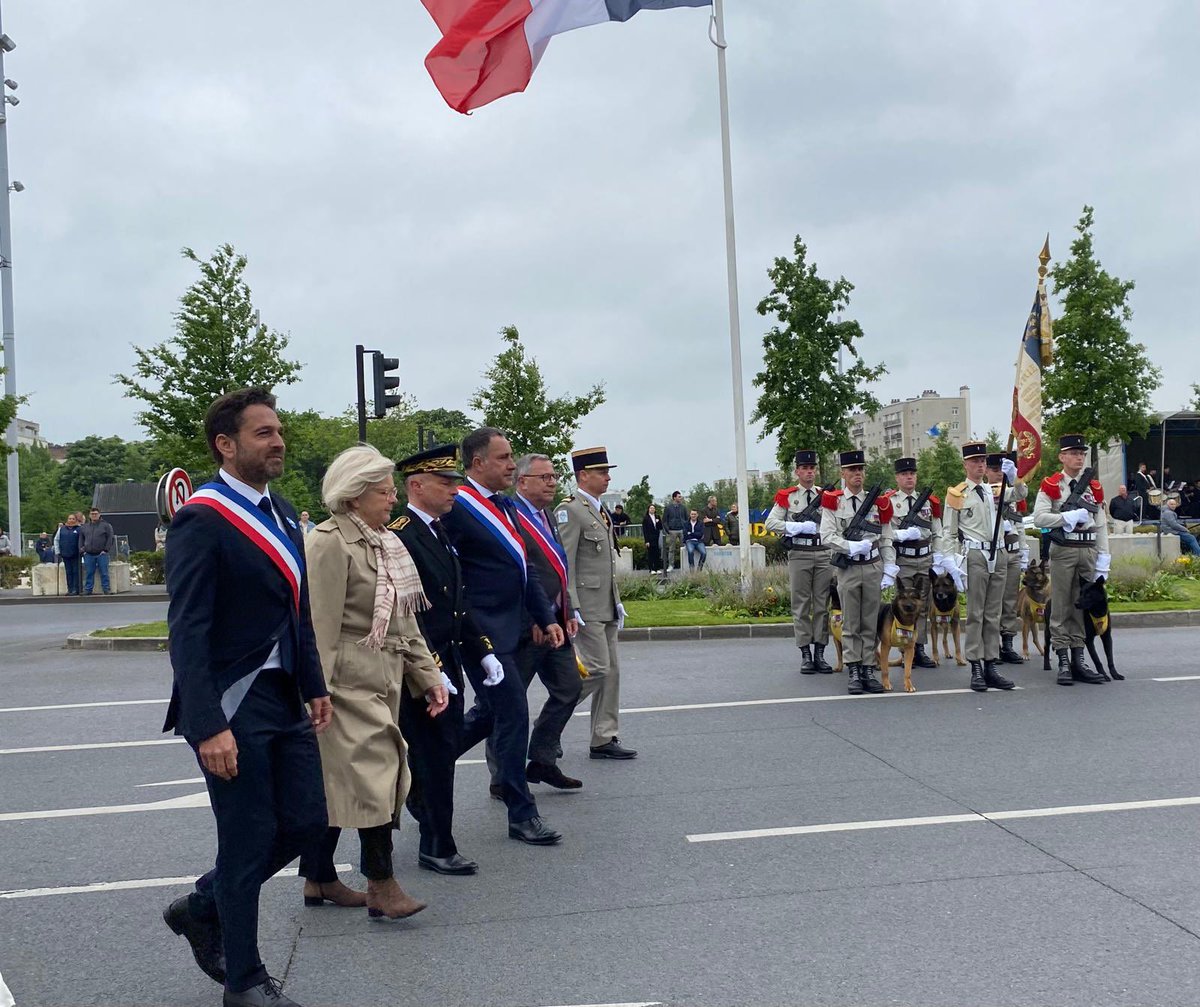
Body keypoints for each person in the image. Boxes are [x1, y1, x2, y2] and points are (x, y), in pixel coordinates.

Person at [161, 388, 332, 1007]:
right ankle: (245, 980)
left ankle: (203, 905)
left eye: (278, 430)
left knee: (310, 821)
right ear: (225, 445)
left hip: (284, 694)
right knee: (247, 837)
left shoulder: (284, 511)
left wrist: (313, 683)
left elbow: (297, 611)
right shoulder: (201, 518)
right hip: (234, 702)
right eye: (263, 433)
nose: (278, 441)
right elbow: (188, 630)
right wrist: (206, 725)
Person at [297, 444, 447, 918]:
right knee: (375, 778)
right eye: (383, 492)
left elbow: (405, 621)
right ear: (355, 494)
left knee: (344, 781)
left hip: (384, 678)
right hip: (343, 683)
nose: (391, 500)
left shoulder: (387, 542)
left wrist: (429, 676)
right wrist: (312, 690)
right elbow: (317, 624)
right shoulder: (328, 542)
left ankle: (318, 879)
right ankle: (381, 885)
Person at [441, 426, 564, 846]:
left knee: (491, 714)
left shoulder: (507, 507)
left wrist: (545, 615)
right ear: (477, 463)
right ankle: (521, 812)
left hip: (514, 629)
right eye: (503, 457)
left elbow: (523, 566)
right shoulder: (457, 507)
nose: (512, 464)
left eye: (512, 456)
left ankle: (424, 763)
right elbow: (448, 576)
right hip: (479, 635)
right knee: (512, 712)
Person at [390, 444, 494, 875]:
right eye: (445, 482)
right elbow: (407, 610)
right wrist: (430, 665)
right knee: (433, 752)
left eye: (454, 481)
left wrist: (482, 649)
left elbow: (455, 600)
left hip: (446, 661)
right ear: (416, 485)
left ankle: (426, 814)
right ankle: (437, 843)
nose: (454, 488)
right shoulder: (401, 533)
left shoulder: (438, 530)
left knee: (442, 748)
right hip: (420, 667)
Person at [490, 452, 584, 789]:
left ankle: (542, 759)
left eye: (554, 477)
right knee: (508, 703)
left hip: (555, 623)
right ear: (523, 481)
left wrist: (566, 610)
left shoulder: (546, 516)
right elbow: (513, 574)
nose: (552, 483)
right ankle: (501, 777)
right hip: (526, 626)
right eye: (545, 477)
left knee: (570, 687)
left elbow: (558, 568)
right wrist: (533, 617)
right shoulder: (507, 515)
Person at [557, 446, 636, 761]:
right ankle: (549, 723)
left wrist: (615, 601)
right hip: (585, 606)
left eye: (607, 471)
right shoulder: (570, 510)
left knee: (611, 673)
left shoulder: (598, 509)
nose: (607, 477)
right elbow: (565, 561)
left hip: (605, 604)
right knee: (597, 669)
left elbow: (604, 563)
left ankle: (604, 737)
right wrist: (570, 605)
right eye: (601, 472)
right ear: (583, 475)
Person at [1032, 434, 1110, 686]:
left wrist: (1103, 559)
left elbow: (1100, 526)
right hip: (1064, 549)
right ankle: (1063, 659)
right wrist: (1066, 518)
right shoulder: (1052, 485)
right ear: (1062, 457)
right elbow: (1040, 518)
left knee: (1081, 605)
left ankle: (1079, 659)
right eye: (1074, 453)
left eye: (1082, 453)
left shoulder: (1093, 487)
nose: (1079, 457)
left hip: (1087, 549)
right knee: (1063, 606)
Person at [820, 449, 895, 694]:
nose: (857, 474)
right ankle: (854, 668)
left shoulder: (878, 502)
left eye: (861, 469)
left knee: (870, 621)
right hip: (849, 567)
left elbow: (886, 536)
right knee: (851, 621)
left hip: (872, 565)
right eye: (852, 470)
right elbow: (827, 536)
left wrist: (890, 567)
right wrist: (849, 545)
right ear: (843, 473)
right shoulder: (833, 501)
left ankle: (867, 668)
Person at [942, 442, 1014, 692]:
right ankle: (975, 664)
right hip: (974, 555)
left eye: (982, 460)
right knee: (976, 613)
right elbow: (948, 533)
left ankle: (991, 663)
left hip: (999, 553)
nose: (980, 464)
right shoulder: (958, 494)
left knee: (993, 613)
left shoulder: (996, 488)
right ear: (965, 464)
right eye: (974, 461)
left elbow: (1020, 495)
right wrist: (951, 562)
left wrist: (1014, 477)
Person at [765, 449, 834, 674]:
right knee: (801, 604)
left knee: (822, 604)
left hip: (823, 552)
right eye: (804, 468)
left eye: (812, 468)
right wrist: (794, 527)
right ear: (797, 471)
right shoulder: (788, 496)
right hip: (799, 553)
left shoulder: (826, 496)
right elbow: (771, 523)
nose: (809, 472)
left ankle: (820, 653)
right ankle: (805, 653)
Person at [885, 456, 945, 670]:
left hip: (925, 558)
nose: (909, 477)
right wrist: (901, 534)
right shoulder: (889, 502)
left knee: (922, 605)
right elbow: (885, 533)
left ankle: (919, 648)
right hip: (904, 560)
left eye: (912, 473)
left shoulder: (929, 501)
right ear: (897, 477)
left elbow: (938, 531)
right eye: (904, 474)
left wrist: (939, 557)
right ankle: (904, 649)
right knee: (903, 606)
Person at [987, 451, 1028, 666]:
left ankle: (1008, 643)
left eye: (1002, 471)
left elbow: (1019, 522)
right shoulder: (983, 492)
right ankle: (993, 645)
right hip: (993, 552)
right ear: (985, 470)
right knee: (993, 602)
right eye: (995, 470)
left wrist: (1023, 549)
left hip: (1012, 551)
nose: (999, 475)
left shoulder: (1012, 492)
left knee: (1010, 600)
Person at [79, 507, 114, 595]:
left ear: (99, 515)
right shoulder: (85, 527)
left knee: (104, 572)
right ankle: (88, 589)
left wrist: (105, 550)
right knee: (89, 573)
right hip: (88, 554)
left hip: (101, 554)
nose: (94, 515)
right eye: (92, 514)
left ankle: (106, 589)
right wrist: (82, 550)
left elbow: (110, 538)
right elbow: (81, 539)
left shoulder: (106, 525)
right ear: (89, 515)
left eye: (95, 514)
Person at [54, 514, 83, 596]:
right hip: (65, 554)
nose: (71, 520)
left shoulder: (79, 529)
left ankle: (76, 589)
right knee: (68, 572)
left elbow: (83, 540)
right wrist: (57, 551)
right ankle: (70, 589)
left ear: (76, 520)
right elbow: (56, 540)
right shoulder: (61, 529)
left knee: (75, 572)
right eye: (69, 518)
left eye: (73, 519)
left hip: (76, 554)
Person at [663, 490, 688, 572]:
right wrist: (668, 530)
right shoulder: (668, 508)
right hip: (672, 530)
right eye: (679, 496)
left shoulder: (683, 507)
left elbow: (686, 518)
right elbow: (665, 520)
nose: (680, 498)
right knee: (671, 549)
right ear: (674, 497)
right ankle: (671, 565)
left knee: (684, 548)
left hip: (681, 530)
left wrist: (685, 528)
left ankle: (684, 564)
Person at [642, 503, 663, 573]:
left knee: (657, 553)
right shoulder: (646, 518)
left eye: (653, 508)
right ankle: (652, 568)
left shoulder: (657, 516)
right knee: (651, 553)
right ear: (648, 509)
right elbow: (645, 530)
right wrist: (646, 541)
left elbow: (660, 527)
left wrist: (658, 522)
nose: (652, 509)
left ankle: (657, 568)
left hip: (656, 537)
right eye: (651, 508)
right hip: (650, 537)